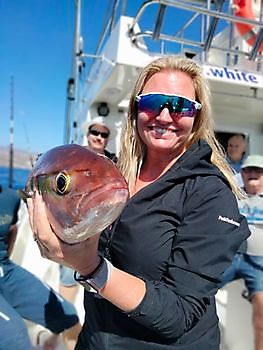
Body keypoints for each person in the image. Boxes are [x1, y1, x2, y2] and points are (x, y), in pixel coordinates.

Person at [27, 55, 250, 350]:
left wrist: (90, 267)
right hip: (95, 339)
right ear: (136, 108)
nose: (166, 115)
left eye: (181, 106)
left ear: (197, 116)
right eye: (153, 102)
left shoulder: (210, 193)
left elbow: (179, 314)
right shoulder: (116, 176)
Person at [0, 185, 81, 350]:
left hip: (5, 271)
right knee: (15, 337)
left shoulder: (11, 198)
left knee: (69, 317)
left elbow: (11, 234)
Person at [59, 116, 118, 306]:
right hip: (76, 226)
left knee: (100, 274)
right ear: (88, 134)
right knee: (69, 274)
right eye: (95, 132)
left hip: (105, 229)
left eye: (104, 134)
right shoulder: (72, 158)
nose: (99, 137)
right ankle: (66, 321)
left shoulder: (115, 162)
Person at [220, 154, 263, 350]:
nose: (253, 174)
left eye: (258, 170)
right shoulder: (231, 196)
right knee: (198, 293)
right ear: (242, 173)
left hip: (259, 261)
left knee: (262, 310)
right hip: (230, 256)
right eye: (248, 170)